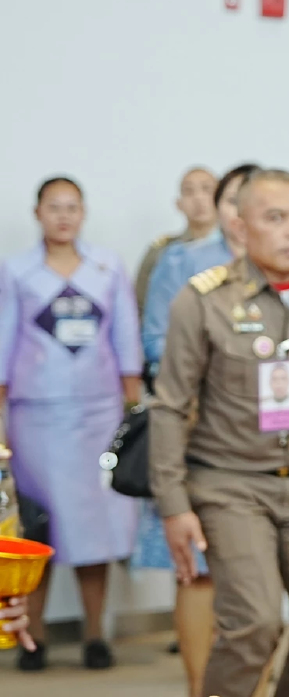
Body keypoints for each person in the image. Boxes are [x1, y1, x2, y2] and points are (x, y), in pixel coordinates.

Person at [150, 169, 289, 697]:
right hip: (230, 486)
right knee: (254, 623)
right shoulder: (203, 302)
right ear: (241, 229)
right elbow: (170, 407)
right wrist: (174, 506)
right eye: (276, 218)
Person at [0, 177, 142, 671]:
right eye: (53, 207)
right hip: (35, 415)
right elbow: (3, 340)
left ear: (83, 214)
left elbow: (125, 336)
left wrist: (134, 406)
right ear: (37, 212)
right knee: (36, 524)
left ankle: (95, 634)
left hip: (99, 414)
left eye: (72, 207)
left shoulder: (107, 267)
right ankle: (32, 637)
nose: (63, 216)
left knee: (94, 525)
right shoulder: (16, 270)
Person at [134, 162, 259, 696]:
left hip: (273, 447)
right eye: (232, 202)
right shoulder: (184, 262)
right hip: (203, 433)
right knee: (201, 570)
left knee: (257, 583)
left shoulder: (288, 271)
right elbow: (157, 343)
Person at [142, 162, 259, 373]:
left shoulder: (281, 264)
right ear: (218, 206)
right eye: (233, 201)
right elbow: (154, 335)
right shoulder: (178, 257)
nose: (241, 212)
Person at [132, 167, 218, 317]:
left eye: (207, 189)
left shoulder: (237, 249)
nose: (198, 197)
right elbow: (140, 304)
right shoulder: (161, 251)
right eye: (189, 191)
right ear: (178, 204)